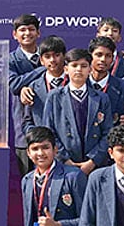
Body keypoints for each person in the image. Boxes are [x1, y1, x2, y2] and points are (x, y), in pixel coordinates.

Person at [40, 48, 112, 199]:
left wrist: (92, 161)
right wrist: (66, 160)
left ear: (90, 69)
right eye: (74, 65)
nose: (79, 69)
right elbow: (48, 132)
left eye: (83, 66)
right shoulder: (54, 97)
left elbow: (108, 133)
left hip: (95, 166)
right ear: (66, 69)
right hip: (64, 165)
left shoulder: (101, 98)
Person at [8, 13, 44, 174]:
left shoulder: (48, 55)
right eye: (22, 30)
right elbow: (14, 84)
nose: (27, 33)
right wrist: (43, 69)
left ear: (38, 33)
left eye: (31, 29)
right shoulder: (10, 59)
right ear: (15, 35)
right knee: (28, 183)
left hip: (49, 128)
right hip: (23, 132)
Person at [19, 36, 67, 134]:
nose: (52, 60)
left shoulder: (76, 83)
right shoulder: (33, 87)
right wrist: (37, 137)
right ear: (41, 60)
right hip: (44, 145)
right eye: (47, 56)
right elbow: (27, 121)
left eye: (56, 55)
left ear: (64, 56)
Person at [86, 37, 124, 124]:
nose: (103, 59)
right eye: (99, 55)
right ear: (90, 56)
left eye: (108, 56)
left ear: (112, 59)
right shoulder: (79, 85)